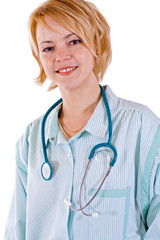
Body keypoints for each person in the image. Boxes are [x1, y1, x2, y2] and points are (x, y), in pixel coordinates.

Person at [5, 0, 160, 239]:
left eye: (74, 41)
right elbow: (17, 230)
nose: (61, 56)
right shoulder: (32, 140)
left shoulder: (142, 127)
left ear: (96, 44)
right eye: (48, 48)